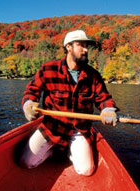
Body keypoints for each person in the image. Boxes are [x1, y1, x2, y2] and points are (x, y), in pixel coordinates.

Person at [20, 30, 119, 176]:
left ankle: (70, 154)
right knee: (26, 162)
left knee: (86, 171)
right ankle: (51, 152)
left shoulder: (93, 75)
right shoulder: (48, 69)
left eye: (86, 46)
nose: (85, 49)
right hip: (52, 128)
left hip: (79, 130)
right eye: (80, 45)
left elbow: (103, 98)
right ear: (68, 47)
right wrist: (28, 104)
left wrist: (108, 110)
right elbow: (32, 91)